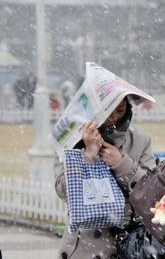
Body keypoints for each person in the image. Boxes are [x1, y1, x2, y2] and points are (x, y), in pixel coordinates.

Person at [54, 97, 155, 259]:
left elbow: (151, 191)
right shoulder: (71, 139)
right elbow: (63, 191)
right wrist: (89, 156)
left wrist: (122, 164)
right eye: (107, 110)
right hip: (83, 247)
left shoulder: (140, 140)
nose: (113, 117)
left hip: (129, 243)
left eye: (120, 111)